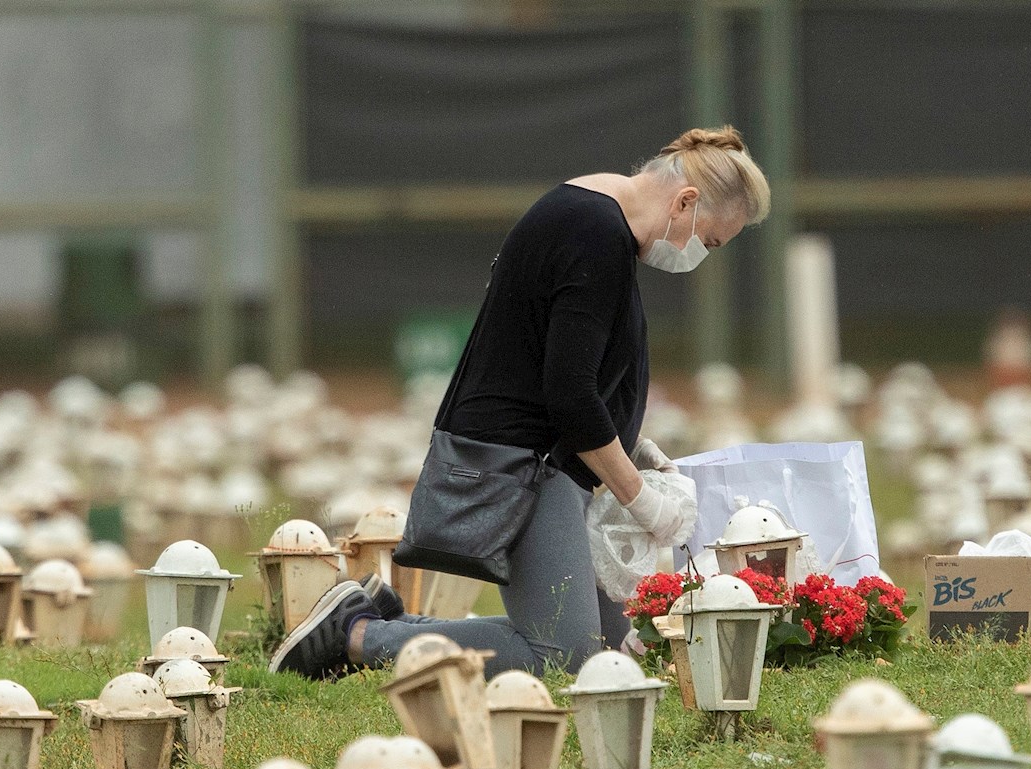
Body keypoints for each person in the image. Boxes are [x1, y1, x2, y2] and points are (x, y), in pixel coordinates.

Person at [270, 126, 771, 679]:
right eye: (712, 241)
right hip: (526, 467)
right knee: (564, 655)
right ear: (686, 201)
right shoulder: (596, 236)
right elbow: (570, 396)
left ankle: (383, 619)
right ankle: (357, 636)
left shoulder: (594, 204)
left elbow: (565, 361)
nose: (701, 253)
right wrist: (640, 499)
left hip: (542, 460)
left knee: (610, 645)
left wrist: (630, 447)